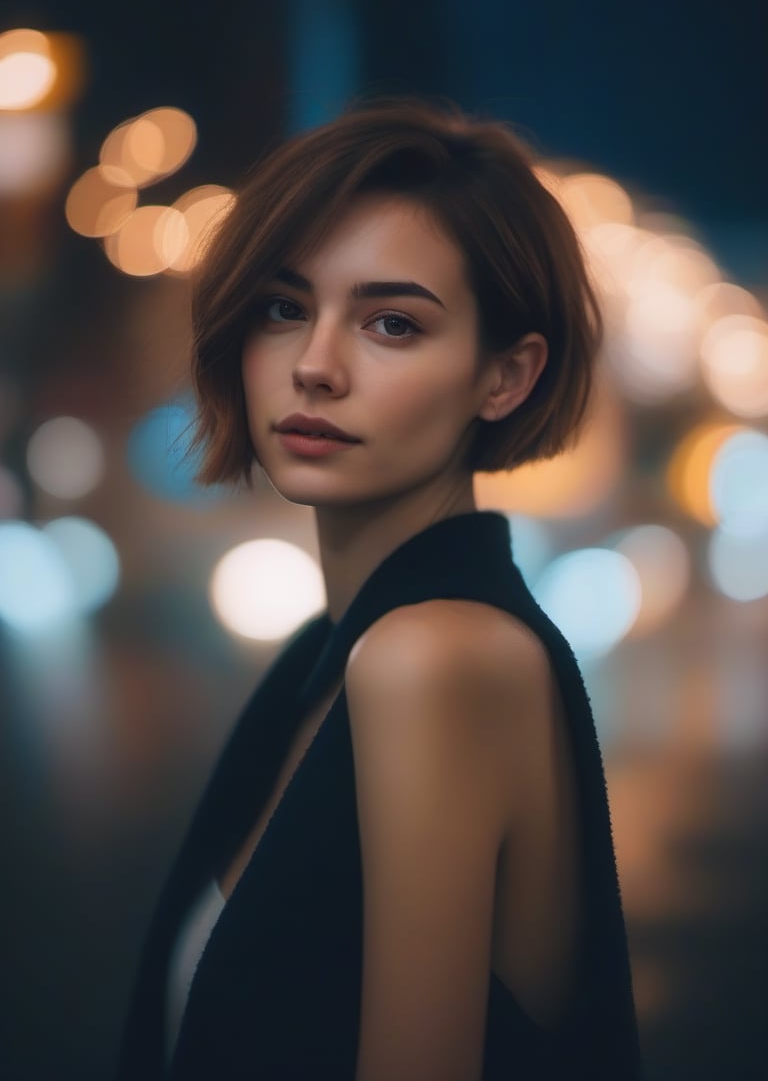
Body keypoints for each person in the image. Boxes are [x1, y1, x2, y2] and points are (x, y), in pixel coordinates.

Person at [117, 97, 643, 1080]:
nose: (315, 367)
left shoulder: (432, 656)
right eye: (283, 307)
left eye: (392, 323)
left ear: (506, 377)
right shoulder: (334, 652)